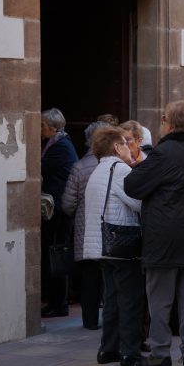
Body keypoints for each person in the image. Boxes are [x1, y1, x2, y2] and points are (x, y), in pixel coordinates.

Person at [125, 101, 184, 366]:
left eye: (164, 118)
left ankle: (160, 354)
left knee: (160, 299)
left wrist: (135, 164)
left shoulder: (164, 153)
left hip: (164, 236)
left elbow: (132, 186)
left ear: (171, 123)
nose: (161, 123)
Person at [83, 126, 143, 366]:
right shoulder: (119, 170)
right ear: (117, 147)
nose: (129, 148)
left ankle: (108, 349)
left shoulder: (98, 169)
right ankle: (129, 351)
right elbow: (137, 203)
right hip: (121, 243)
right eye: (125, 144)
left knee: (111, 298)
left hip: (102, 245)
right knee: (129, 299)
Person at [61, 121, 108, 330]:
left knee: (90, 278)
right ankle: (112, 320)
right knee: (111, 278)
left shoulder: (80, 167)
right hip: (110, 232)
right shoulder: (119, 166)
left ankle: (89, 321)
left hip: (86, 231)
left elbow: (68, 205)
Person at [41, 107, 78, 318]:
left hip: (60, 211)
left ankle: (59, 303)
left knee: (57, 255)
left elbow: (39, 167)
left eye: (43, 126)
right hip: (58, 208)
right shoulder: (58, 143)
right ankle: (56, 301)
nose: (40, 130)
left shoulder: (61, 146)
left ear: (53, 127)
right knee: (55, 253)